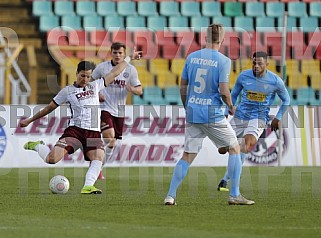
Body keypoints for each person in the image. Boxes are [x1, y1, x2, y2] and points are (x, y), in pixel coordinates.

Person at [164, 24, 254, 206]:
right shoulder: (223, 61)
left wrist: (187, 106)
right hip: (212, 113)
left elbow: (183, 86)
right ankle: (234, 194)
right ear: (221, 40)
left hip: (193, 112)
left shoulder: (192, 57)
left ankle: (170, 195)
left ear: (205, 38)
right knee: (235, 148)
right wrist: (230, 106)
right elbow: (223, 89)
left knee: (187, 155)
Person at [20, 59, 133, 194]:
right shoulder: (67, 91)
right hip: (75, 131)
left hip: (93, 132)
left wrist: (129, 58)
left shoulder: (95, 86)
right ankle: (38, 145)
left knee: (98, 157)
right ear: (76, 73)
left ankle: (88, 186)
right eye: (82, 75)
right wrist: (30, 120)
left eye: (88, 76)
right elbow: (49, 108)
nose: (85, 79)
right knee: (52, 159)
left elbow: (115, 72)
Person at [217, 51, 291, 191]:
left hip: (259, 118)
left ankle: (227, 181)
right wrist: (226, 111)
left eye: (260, 63)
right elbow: (233, 94)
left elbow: (286, 100)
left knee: (246, 144)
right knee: (222, 149)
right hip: (240, 116)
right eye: (254, 63)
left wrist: (278, 117)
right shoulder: (243, 76)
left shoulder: (275, 81)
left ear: (267, 64)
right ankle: (227, 174)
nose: (256, 66)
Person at [91, 42, 143, 179]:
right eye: (115, 52)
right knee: (110, 139)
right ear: (111, 53)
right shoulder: (102, 68)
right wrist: (96, 94)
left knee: (113, 145)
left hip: (119, 110)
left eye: (120, 53)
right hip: (104, 108)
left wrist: (132, 89)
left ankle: (98, 168)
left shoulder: (131, 70)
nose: (117, 55)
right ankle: (95, 167)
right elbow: (90, 83)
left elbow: (140, 89)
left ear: (124, 54)